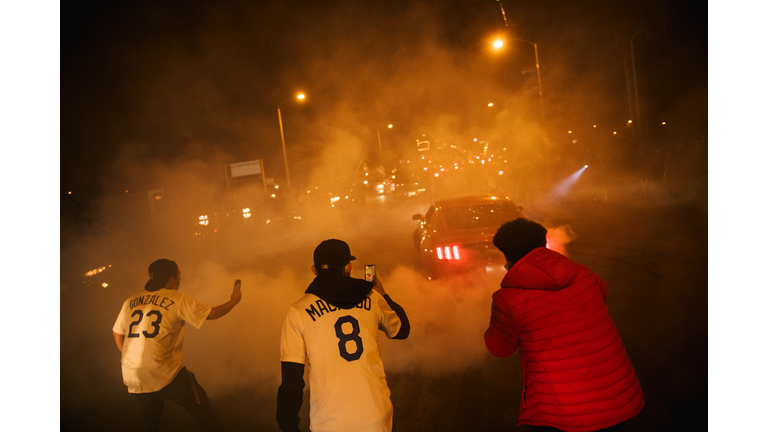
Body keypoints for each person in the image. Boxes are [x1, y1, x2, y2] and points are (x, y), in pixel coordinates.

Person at [484, 219, 644, 432]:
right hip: (620, 399)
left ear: (509, 257)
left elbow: (499, 348)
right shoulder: (580, 272)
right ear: (543, 243)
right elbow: (602, 291)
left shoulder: (508, 299)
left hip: (564, 414)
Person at [277, 239, 410, 432]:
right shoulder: (372, 298)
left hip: (329, 424)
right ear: (348, 266)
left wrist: (288, 425)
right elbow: (401, 330)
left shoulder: (298, 312)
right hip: (377, 420)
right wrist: (383, 293)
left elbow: (292, 381)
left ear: (314, 270)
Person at [112, 259, 242, 432]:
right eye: (178, 275)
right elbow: (213, 314)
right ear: (171, 279)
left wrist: (128, 357)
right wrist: (234, 300)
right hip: (164, 372)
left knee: (151, 414)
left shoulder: (131, 300)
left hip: (133, 374)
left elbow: (117, 332)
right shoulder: (177, 299)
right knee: (200, 407)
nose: (180, 278)